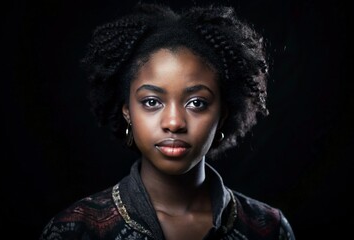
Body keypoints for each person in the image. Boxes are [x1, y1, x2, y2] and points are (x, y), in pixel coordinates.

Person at [40, 3, 295, 240]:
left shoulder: (268, 229)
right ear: (127, 110)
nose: (174, 123)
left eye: (197, 103)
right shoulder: (77, 230)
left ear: (222, 114)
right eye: (152, 102)